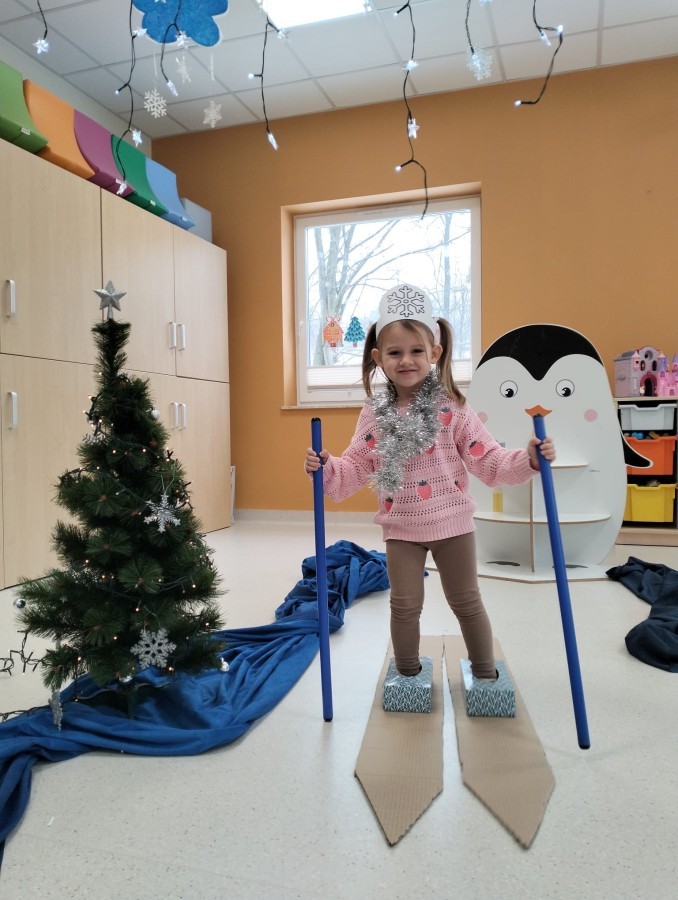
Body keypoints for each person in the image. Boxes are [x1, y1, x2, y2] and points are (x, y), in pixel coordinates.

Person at [304, 284, 555, 682]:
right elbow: (355, 466)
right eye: (394, 352)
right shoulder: (374, 414)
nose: (406, 360)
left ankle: (485, 675)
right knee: (404, 606)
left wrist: (529, 459)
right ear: (378, 358)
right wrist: (326, 467)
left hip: (453, 524)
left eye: (416, 351)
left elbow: (488, 460)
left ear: (434, 353)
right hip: (401, 528)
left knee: (466, 602)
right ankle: (407, 676)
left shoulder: (452, 407)